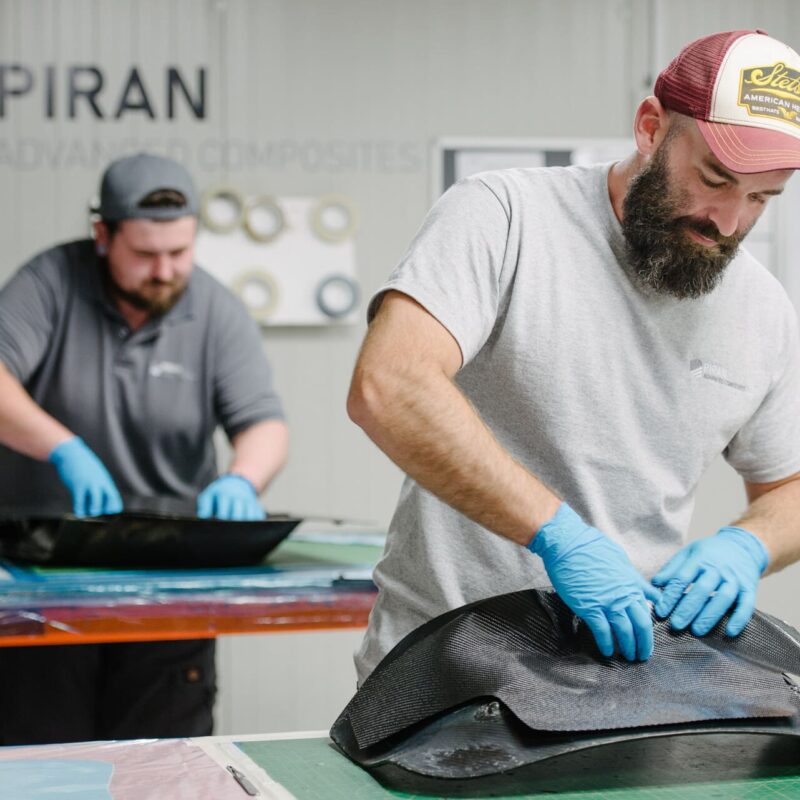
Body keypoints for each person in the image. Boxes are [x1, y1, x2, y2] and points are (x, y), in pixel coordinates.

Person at [347, 29, 800, 684]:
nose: (728, 222)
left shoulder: (761, 310)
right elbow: (391, 384)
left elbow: (789, 487)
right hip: (443, 672)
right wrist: (556, 534)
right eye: (714, 179)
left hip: (625, 678)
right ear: (650, 127)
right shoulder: (505, 217)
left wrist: (748, 544)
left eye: (761, 198)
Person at [0, 153, 289, 743]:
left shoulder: (215, 311)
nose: (165, 270)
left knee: (164, 762)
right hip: (46, 582)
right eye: (145, 254)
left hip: (169, 586)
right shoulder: (49, 284)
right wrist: (62, 447)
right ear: (103, 234)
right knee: (41, 759)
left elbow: (264, 423)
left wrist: (243, 479)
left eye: (179, 252)